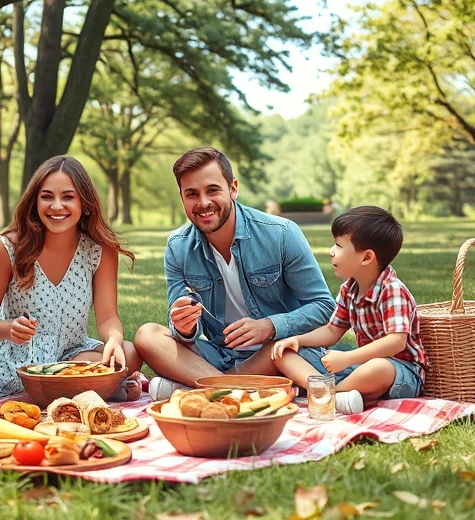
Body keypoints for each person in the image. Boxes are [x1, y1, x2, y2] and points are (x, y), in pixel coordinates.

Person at [134, 147, 335, 400]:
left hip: (277, 353)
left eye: (213, 190)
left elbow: (324, 306)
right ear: (182, 198)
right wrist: (183, 326)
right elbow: (182, 330)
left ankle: (207, 388)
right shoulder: (177, 247)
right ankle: (232, 389)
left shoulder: (281, 233)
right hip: (220, 357)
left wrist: (269, 326)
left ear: (233, 189)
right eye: (192, 194)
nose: (204, 203)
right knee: (147, 335)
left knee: (287, 353)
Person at [0, 155, 143, 401]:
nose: (57, 206)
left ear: (85, 202)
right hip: (10, 356)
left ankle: (48, 392)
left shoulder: (100, 250)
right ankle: (71, 391)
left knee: (128, 353)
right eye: (47, 197)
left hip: (67, 356)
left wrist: (113, 339)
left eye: (68, 197)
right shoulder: (9, 247)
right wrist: (9, 329)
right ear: (34, 201)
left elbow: (108, 316)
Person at [271, 206, 428, 414]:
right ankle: (335, 395)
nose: (331, 251)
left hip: (401, 372)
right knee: (285, 353)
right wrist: (299, 340)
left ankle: (325, 397)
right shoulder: (349, 289)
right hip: (358, 366)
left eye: (338, 245)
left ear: (366, 257)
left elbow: (395, 342)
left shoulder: (392, 290)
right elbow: (331, 331)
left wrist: (347, 358)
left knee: (376, 368)